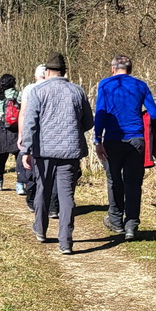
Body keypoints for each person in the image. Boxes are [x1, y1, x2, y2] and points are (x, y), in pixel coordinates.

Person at [18, 53, 94, 254]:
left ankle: (41, 230)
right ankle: (66, 242)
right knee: (66, 195)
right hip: (70, 151)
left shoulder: (38, 91)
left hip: (44, 151)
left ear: (47, 71)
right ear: (64, 71)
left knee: (43, 189)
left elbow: (30, 123)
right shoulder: (77, 91)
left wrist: (26, 150)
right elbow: (88, 122)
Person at [95, 55, 156, 241]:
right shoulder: (140, 85)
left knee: (114, 179)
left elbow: (100, 113)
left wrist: (97, 139)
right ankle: (131, 224)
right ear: (130, 69)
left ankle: (116, 220)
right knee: (133, 183)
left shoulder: (105, 85)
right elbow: (154, 114)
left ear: (113, 69)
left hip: (112, 140)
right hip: (137, 140)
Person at [16, 64, 47, 204]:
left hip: (32, 132)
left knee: (30, 164)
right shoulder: (55, 87)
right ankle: (49, 201)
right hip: (49, 134)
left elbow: (23, 113)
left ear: (35, 76)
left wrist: (21, 135)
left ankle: (32, 197)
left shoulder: (29, 89)